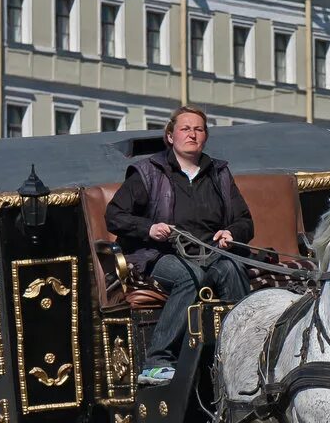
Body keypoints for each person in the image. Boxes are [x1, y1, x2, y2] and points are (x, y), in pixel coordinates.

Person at [106, 105, 254, 385]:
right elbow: (114, 215)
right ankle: (157, 360)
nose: (192, 134)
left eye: (198, 129)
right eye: (185, 129)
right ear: (171, 136)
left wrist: (231, 232)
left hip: (211, 252)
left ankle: (240, 354)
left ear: (205, 137)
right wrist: (149, 228)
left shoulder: (219, 173)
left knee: (233, 269)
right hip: (158, 254)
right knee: (190, 277)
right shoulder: (147, 172)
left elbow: (245, 221)